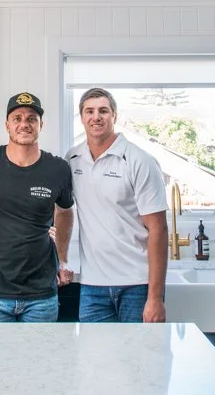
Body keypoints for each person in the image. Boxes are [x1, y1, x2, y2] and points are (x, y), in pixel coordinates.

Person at [66, 87, 169, 323]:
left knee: (140, 358)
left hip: (137, 285)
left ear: (115, 116)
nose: (96, 117)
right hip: (92, 286)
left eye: (103, 111)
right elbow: (62, 210)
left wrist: (155, 298)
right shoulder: (71, 159)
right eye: (89, 111)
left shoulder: (139, 160)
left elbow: (159, 230)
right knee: (95, 359)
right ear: (81, 117)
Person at [0, 92, 75, 322]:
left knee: (38, 359)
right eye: (17, 118)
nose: (24, 124)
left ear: (41, 125)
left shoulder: (58, 168)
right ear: (7, 125)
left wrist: (63, 258)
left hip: (41, 295)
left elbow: (66, 211)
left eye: (31, 118)